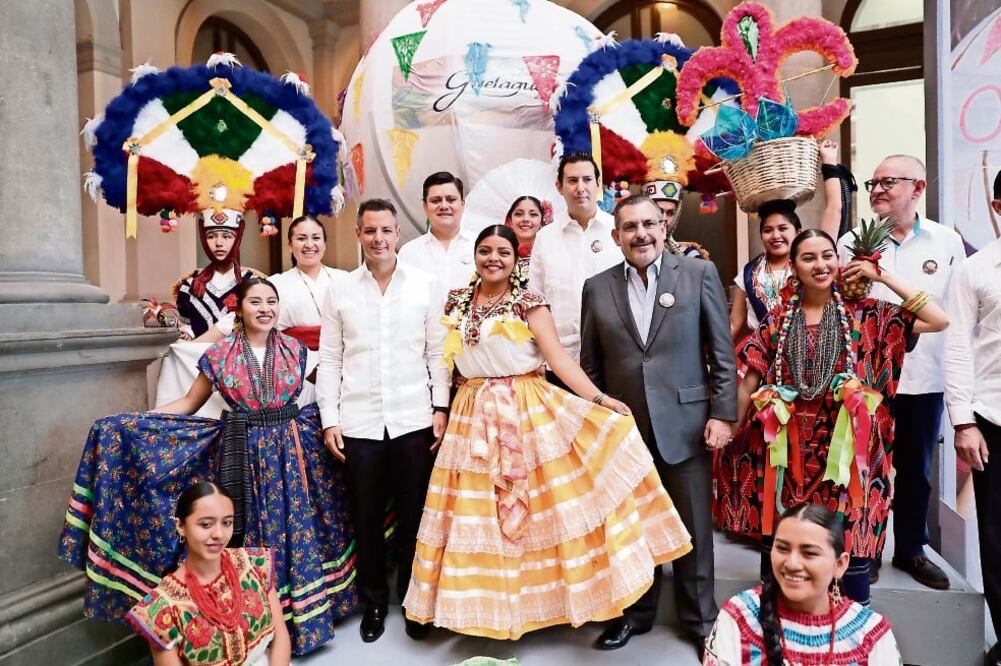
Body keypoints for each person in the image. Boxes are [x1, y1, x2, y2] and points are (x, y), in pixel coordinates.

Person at [403, 224, 693, 639]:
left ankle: (588, 603)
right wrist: (441, 407)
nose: (493, 259)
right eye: (485, 250)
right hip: (472, 414)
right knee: (472, 515)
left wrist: (599, 400)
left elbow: (560, 361)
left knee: (556, 510)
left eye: (503, 252)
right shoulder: (457, 302)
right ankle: (455, 609)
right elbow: (445, 361)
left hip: (526, 411)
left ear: (515, 260)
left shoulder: (530, 304)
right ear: (475, 255)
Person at [59, 278, 358, 656]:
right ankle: (258, 627)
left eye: (271, 301)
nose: (265, 309)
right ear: (239, 309)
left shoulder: (296, 350)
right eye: (255, 302)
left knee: (296, 528)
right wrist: (138, 421)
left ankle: (302, 623)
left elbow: (331, 386)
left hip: (292, 454)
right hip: (242, 454)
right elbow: (189, 403)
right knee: (252, 533)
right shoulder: (220, 355)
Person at [738, 229, 949, 608]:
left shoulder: (871, 314)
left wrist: (882, 276)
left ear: (839, 261)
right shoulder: (779, 319)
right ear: (794, 267)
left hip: (851, 457)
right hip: (791, 456)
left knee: (850, 545)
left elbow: (937, 319)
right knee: (787, 541)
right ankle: (780, 629)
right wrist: (727, 424)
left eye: (827, 255)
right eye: (808, 258)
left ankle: (850, 631)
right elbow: (751, 375)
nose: (820, 265)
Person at [580, 195, 737, 658]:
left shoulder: (698, 274)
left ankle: (701, 620)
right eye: (630, 227)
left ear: (664, 228)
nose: (641, 234)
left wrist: (722, 413)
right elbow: (590, 365)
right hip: (624, 432)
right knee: (632, 528)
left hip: (686, 424)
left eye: (649, 223)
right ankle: (635, 614)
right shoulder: (597, 287)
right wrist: (599, 423)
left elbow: (721, 353)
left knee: (693, 530)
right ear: (616, 236)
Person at [316, 199, 450, 644]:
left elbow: (437, 353)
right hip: (359, 422)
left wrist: (440, 408)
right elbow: (330, 359)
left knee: (415, 516)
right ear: (358, 234)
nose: (378, 239)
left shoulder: (425, 285)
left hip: (414, 418)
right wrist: (330, 419)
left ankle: (415, 601)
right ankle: (373, 602)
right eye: (370, 231)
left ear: (398, 234)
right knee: (366, 518)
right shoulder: (340, 289)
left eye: (386, 230)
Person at [837, 155, 965, 588]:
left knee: (917, 470)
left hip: (924, 376)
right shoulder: (852, 243)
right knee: (865, 469)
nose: (877, 190)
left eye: (888, 181)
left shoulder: (946, 242)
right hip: (868, 383)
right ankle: (866, 548)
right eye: (872, 183)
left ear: (918, 188)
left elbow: (953, 314)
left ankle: (911, 548)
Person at [717, 141, 847, 541]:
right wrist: (713, 357)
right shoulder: (748, 271)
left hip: (806, 358)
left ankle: (809, 523)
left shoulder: (810, 263)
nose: (775, 235)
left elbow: (834, 211)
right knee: (750, 442)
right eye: (768, 230)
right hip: (758, 360)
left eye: (783, 229)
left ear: (797, 233)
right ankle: (754, 522)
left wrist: (829, 165)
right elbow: (735, 323)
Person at [703, 504, 902, 666]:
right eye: (782, 548)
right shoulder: (739, 617)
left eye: (809, 553)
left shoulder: (871, 636)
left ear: (840, 564)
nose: (792, 564)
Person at [126, 481, 291, 666]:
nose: (219, 534)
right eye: (206, 524)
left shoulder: (254, 564)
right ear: (180, 526)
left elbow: (281, 637)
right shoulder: (163, 609)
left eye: (227, 522)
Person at [943, 170, 1001, 666]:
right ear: (998, 208)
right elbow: (957, 346)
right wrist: (963, 422)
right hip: (993, 420)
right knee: (998, 540)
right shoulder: (976, 269)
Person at [529, 152, 623, 368]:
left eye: (587, 179)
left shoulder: (619, 230)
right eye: (572, 181)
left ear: (597, 184)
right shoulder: (545, 238)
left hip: (614, 357)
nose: (580, 188)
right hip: (560, 360)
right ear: (559, 187)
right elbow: (536, 301)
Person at [268, 215, 346, 404]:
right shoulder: (275, 284)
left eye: (316, 238)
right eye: (301, 238)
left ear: (325, 244)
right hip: (294, 368)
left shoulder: (345, 279)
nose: (309, 244)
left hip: (342, 366)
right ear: (290, 245)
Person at [174, 210, 260, 342]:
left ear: (238, 238)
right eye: (211, 236)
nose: (219, 243)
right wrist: (187, 331)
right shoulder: (189, 286)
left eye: (227, 236)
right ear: (203, 238)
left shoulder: (254, 283)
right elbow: (184, 324)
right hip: (198, 353)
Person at [398, 171, 476, 294]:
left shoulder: (479, 246)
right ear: (425, 207)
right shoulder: (409, 253)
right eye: (435, 201)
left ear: (462, 204)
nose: (444, 206)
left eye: (451, 199)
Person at [503, 194, 551, 276]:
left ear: (542, 222)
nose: (526, 219)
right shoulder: (500, 255)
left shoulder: (551, 254)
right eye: (519, 214)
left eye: (533, 214)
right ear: (510, 221)